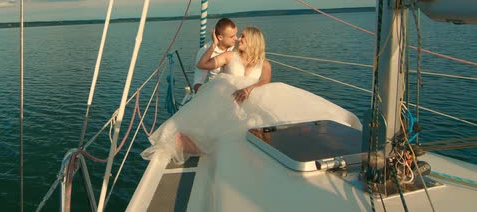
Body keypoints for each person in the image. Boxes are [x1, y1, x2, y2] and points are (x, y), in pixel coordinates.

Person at [141, 26, 361, 164]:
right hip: (226, 98)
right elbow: (202, 64)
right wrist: (215, 45)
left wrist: (249, 88)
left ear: (254, 40)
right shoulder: (229, 55)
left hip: (252, 97)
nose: (239, 40)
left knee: (279, 115)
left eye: (243, 37)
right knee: (213, 131)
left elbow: (265, 81)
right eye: (240, 36)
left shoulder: (264, 63)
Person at [192, 18, 238, 93]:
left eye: (236, 34)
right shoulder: (204, 51)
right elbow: (198, 82)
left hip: (235, 89)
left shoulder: (237, 48)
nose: (236, 38)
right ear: (220, 37)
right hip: (214, 91)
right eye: (232, 36)